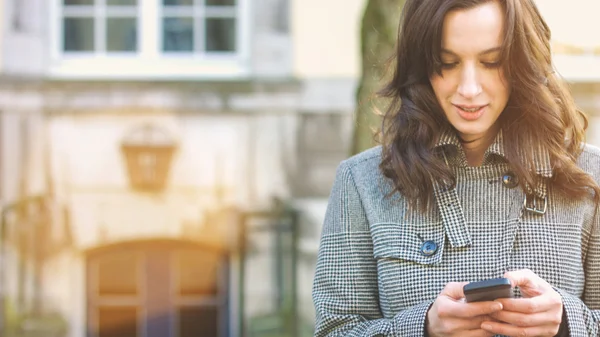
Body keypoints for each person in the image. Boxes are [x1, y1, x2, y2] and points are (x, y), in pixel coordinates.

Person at [311, 0, 600, 336]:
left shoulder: (589, 174)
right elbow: (334, 330)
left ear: (523, 63)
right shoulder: (361, 181)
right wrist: (422, 328)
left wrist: (568, 322)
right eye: (446, 63)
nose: (469, 89)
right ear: (420, 66)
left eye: (492, 62)